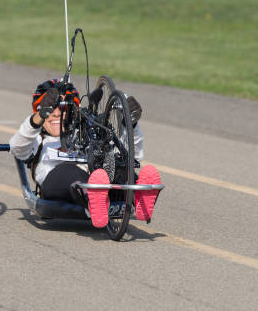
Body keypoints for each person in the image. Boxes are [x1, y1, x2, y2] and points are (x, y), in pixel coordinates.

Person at [9, 79, 162, 228]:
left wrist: (131, 123)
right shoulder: (37, 138)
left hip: (99, 177)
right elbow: (17, 148)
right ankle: (93, 194)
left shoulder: (85, 132)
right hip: (58, 180)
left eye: (63, 109)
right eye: (50, 108)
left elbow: (130, 155)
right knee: (70, 172)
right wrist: (39, 118)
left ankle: (138, 194)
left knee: (118, 165)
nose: (56, 113)